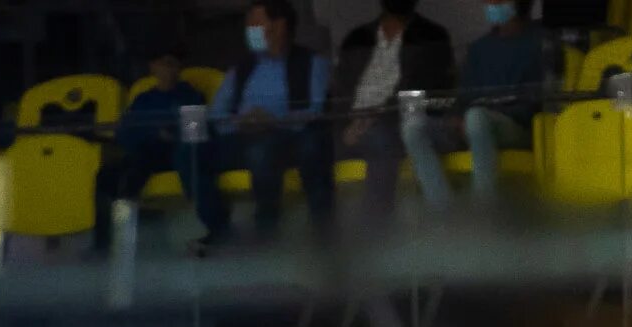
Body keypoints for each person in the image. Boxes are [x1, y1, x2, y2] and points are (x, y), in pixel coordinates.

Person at [205, 0, 335, 242]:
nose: (249, 30)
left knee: (287, 148)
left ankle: (318, 232)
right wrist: (242, 122)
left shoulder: (312, 62)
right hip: (242, 137)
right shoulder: (241, 68)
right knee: (200, 150)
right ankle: (221, 231)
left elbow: (316, 110)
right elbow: (217, 114)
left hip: (290, 135)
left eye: (255, 23)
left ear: (279, 26)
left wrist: (273, 121)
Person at [402, 0, 548, 209]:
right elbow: (463, 96)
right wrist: (454, 118)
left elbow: (535, 102)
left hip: (516, 126)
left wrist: (481, 113)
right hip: (471, 121)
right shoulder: (480, 48)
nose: (490, 4)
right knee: (413, 128)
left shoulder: (540, 42)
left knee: (476, 118)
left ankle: (483, 209)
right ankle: (441, 209)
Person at [329, 0, 455, 220]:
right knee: (311, 145)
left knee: (382, 140)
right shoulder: (357, 38)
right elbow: (339, 92)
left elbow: (424, 92)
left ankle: (375, 231)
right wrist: (346, 125)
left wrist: (373, 118)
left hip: (394, 122)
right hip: (349, 125)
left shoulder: (432, 36)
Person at [113, 43, 214, 219]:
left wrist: (171, 135)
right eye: (162, 64)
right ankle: (110, 234)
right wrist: (154, 133)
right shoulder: (143, 100)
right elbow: (125, 133)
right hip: (145, 153)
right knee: (110, 173)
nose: (168, 69)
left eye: (172, 64)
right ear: (153, 67)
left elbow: (195, 133)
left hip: (175, 154)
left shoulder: (190, 95)